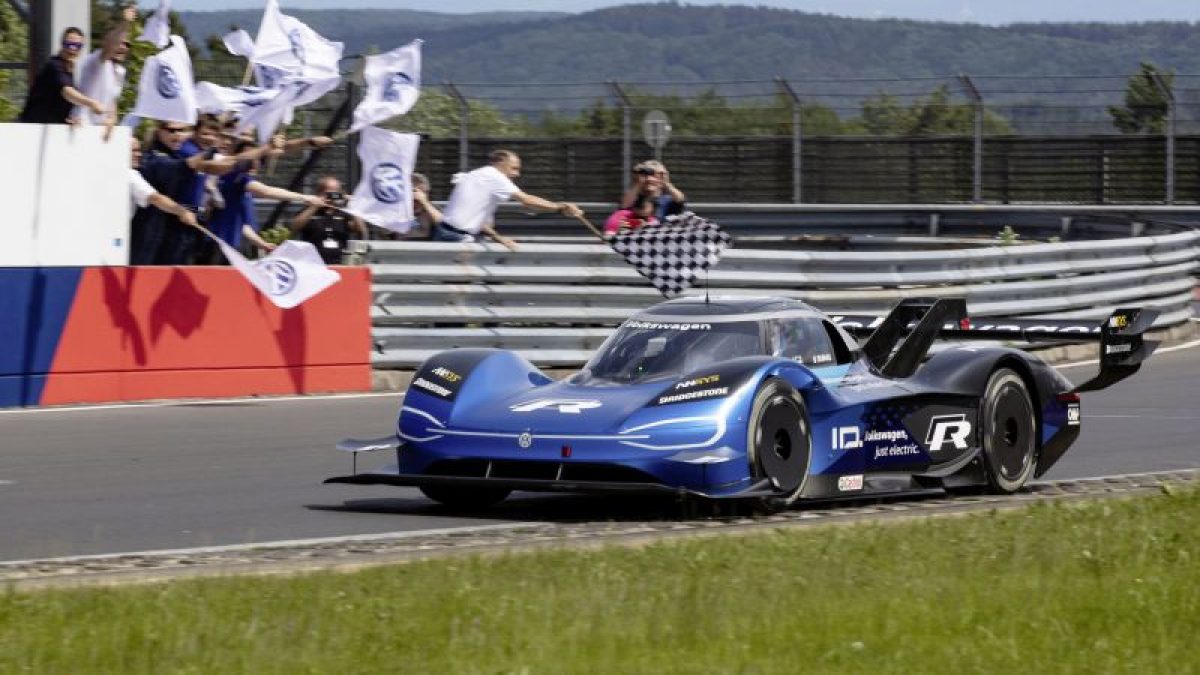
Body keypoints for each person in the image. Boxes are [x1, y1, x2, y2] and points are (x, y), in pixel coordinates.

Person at [204, 135, 324, 263]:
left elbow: (240, 224)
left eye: (257, 158)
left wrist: (261, 243)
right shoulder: (234, 177)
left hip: (232, 245)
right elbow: (266, 191)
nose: (254, 163)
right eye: (249, 158)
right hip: (216, 245)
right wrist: (305, 197)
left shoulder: (240, 182)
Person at [434, 149, 583, 250]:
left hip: (452, 233)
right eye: (513, 168)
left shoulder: (481, 176)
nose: (517, 174)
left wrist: (498, 237)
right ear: (500, 163)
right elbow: (527, 200)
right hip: (454, 236)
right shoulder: (494, 176)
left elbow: (473, 219)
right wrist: (560, 207)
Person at [18, 27, 107, 124]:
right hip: (32, 128)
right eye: (68, 44)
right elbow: (67, 92)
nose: (72, 49)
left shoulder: (68, 70)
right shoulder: (54, 65)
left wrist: (68, 120)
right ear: (62, 44)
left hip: (50, 129)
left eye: (77, 46)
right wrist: (92, 103)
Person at [73, 5, 136, 130]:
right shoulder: (96, 60)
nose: (123, 47)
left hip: (98, 131)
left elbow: (112, 100)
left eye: (127, 44)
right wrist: (125, 23)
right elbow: (109, 46)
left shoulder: (119, 71)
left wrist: (112, 119)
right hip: (81, 126)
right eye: (120, 43)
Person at [289, 176, 368, 264]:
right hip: (312, 262)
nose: (332, 197)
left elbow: (360, 230)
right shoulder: (309, 211)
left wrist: (354, 207)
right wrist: (315, 206)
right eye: (329, 193)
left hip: (339, 261)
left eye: (336, 193)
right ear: (319, 192)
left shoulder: (343, 213)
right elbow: (294, 227)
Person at [128, 136, 198, 231]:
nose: (139, 154)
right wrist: (183, 212)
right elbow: (155, 198)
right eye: (134, 151)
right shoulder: (130, 174)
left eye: (139, 150)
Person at [620, 160, 686, 221]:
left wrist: (666, 183)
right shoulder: (635, 198)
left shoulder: (666, 200)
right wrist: (639, 182)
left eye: (655, 176)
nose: (650, 179)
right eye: (646, 175)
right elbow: (624, 206)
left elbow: (680, 199)